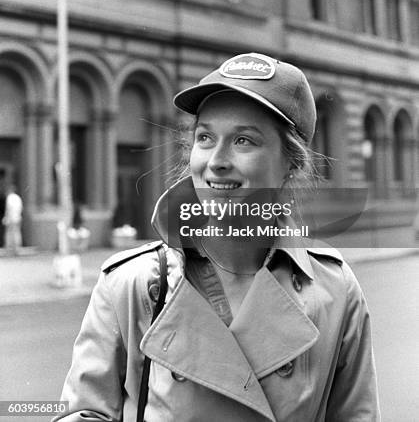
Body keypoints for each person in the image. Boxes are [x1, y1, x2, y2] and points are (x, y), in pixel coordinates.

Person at [54, 52, 380, 421]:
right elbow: (81, 412)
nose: (217, 160)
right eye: (205, 137)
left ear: (292, 162)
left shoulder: (335, 291)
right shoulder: (132, 283)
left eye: (244, 141)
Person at [2, 184, 23, 255]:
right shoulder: (18, 198)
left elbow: (8, 209)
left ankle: (9, 249)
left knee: (9, 234)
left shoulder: (9, 198)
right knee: (17, 233)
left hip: (11, 218)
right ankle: (17, 248)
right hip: (18, 218)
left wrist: (6, 218)